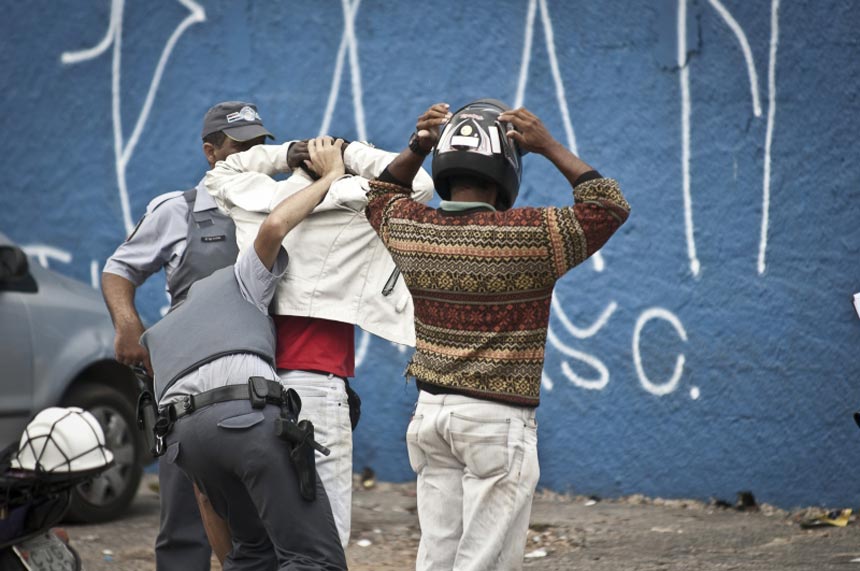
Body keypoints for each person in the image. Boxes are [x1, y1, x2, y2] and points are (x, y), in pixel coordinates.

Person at [364, 100, 631, 571]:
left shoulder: (409, 226)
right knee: (484, 563)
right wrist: (548, 146)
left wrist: (416, 147)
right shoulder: (531, 235)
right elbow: (608, 204)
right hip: (496, 424)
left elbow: (380, 192)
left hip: (430, 419)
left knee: (437, 557)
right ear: (505, 173)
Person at [204, 128, 435, 547]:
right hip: (316, 386)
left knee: (273, 531)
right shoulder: (349, 199)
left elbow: (223, 168)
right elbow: (420, 185)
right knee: (326, 534)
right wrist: (346, 153)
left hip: (256, 384)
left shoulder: (253, 197)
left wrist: (291, 153)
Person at [141, 136, 348, 571]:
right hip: (247, 419)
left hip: (185, 441)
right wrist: (331, 176)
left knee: (254, 554)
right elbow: (274, 227)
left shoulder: (162, 333)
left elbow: (203, 496)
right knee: (313, 558)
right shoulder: (235, 279)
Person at [102, 101, 274, 570]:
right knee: (184, 524)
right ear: (210, 152)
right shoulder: (177, 210)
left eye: (260, 146)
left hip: (259, 388)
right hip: (186, 389)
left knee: (268, 521)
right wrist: (128, 324)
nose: (253, 156)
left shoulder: (275, 209)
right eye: (241, 147)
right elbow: (119, 269)